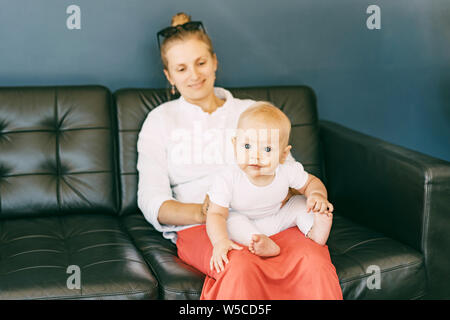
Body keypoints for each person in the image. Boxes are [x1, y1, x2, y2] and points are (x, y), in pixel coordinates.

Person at [137, 12, 343, 299]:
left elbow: (288, 167)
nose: (194, 75)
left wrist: (301, 195)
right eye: (181, 69)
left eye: (201, 63)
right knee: (240, 264)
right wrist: (205, 211)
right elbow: (151, 201)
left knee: (312, 259)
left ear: (215, 62)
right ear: (169, 76)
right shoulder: (159, 121)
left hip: (269, 215)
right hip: (203, 225)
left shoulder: (251, 109)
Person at [206, 102, 334, 273]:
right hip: (246, 220)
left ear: (283, 155)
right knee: (231, 221)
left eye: (267, 149)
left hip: (277, 217)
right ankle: (261, 242)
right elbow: (215, 213)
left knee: (300, 202)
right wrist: (220, 241)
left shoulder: (286, 170)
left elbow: (311, 182)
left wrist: (317, 195)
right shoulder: (227, 177)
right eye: (247, 146)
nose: (255, 156)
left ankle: (315, 231)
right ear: (235, 145)